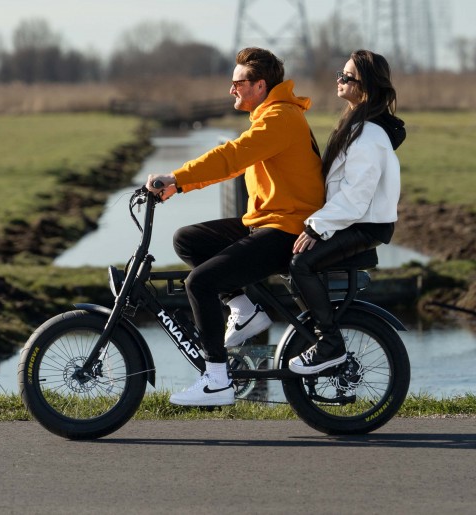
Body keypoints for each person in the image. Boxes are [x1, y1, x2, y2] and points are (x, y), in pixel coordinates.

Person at [147, 47, 324, 406]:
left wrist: (176, 177)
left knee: (200, 282)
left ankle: (216, 379)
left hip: (287, 230)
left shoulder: (280, 118)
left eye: (238, 82)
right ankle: (243, 310)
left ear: (260, 85)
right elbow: (234, 164)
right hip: (267, 222)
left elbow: (231, 156)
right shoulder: (270, 116)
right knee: (189, 240)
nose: (231, 89)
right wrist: (179, 186)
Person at [287, 49, 406, 374]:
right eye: (340, 74)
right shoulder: (356, 124)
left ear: (365, 85)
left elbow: (356, 195)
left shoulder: (369, 134)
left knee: (301, 264)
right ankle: (320, 331)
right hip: (355, 220)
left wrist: (316, 227)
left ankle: (329, 343)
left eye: (347, 76)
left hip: (365, 224)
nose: (338, 79)